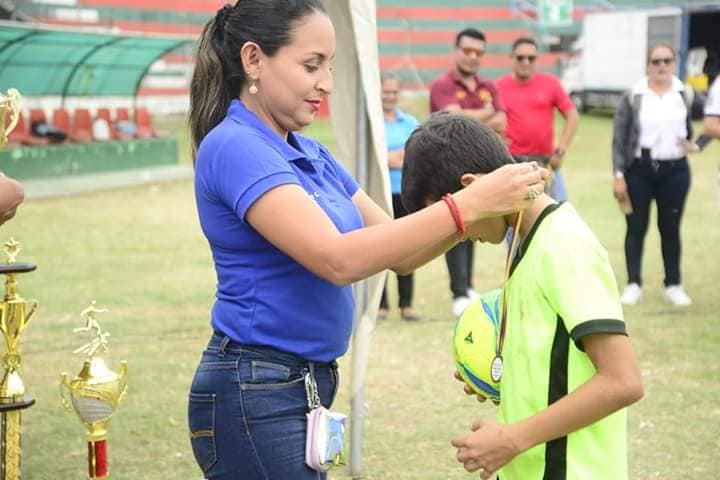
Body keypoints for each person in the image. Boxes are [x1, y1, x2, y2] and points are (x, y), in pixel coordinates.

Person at [186, 2, 548, 479]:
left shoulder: (310, 152)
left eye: (329, 67)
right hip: (255, 388)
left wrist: (473, 213)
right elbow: (337, 260)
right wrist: (470, 203)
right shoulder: (235, 146)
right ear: (253, 60)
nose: (327, 84)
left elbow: (398, 252)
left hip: (301, 381)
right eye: (311, 65)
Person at [401, 113, 644, 480]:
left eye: (455, 217)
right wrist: (504, 379)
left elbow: (622, 381)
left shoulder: (564, 244)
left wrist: (512, 439)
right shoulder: (528, 240)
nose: (459, 234)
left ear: (472, 185)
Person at [429, 28, 506, 317]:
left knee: (475, 225)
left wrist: (467, 117)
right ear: (456, 51)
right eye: (467, 50)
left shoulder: (488, 86)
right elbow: (451, 118)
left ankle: (469, 285)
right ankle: (459, 291)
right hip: (449, 166)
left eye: (479, 52)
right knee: (456, 224)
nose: (473, 57)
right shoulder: (442, 85)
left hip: (482, 168)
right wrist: (485, 114)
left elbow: (502, 121)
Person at [612, 44, 697, 307]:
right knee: (636, 227)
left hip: (675, 170)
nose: (661, 66)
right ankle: (633, 284)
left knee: (670, 228)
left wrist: (697, 145)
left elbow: (711, 118)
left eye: (667, 61)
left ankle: (673, 285)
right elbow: (619, 138)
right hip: (639, 170)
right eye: (656, 61)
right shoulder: (634, 95)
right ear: (647, 65)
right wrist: (618, 174)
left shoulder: (685, 93)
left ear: (674, 63)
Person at [496, 37, 579, 201]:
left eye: (531, 58)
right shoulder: (498, 86)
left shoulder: (551, 83)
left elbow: (572, 115)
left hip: (541, 163)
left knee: (545, 210)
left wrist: (560, 151)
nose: (525, 62)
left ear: (537, 59)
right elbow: (488, 120)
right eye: (520, 57)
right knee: (512, 210)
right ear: (512, 58)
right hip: (510, 162)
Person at [377, 72, 421, 322]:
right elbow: (375, 156)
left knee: (408, 249)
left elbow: (414, 155)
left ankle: (407, 305)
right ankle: (381, 305)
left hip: (405, 193)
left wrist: (390, 157)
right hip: (380, 194)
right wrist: (390, 157)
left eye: (394, 92)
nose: (390, 96)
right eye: (386, 92)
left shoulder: (410, 122)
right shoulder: (373, 122)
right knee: (381, 249)